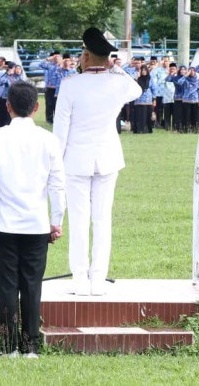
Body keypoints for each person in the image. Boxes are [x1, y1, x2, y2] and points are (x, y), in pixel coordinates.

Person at [0, 81, 65, 357]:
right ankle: (31, 346)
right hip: (37, 224)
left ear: (7, 106)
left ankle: (9, 345)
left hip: (3, 225)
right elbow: (58, 184)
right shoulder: (49, 140)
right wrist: (56, 220)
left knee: (6, 287)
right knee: (32, 287)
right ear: (36, 108)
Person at [53, 28, 142, 296]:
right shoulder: (118, 83)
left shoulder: (70, 84)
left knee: (79, 220)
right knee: (103, 220)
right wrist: (115, 69)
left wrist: (55, 163)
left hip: (75, 160)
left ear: (87, 56)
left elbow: (60, 130)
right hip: (107, 157)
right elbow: (137, 90)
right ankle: (97, 279)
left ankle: (80, 279)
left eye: (83, 53)